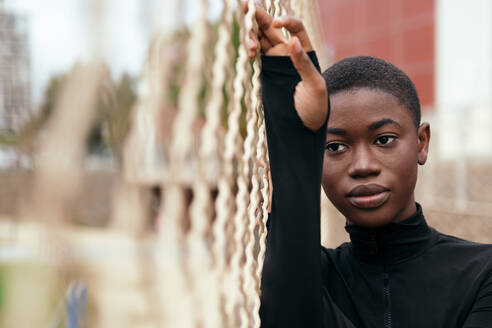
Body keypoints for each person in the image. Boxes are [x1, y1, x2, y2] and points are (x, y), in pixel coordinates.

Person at [246, 4, 492, 328]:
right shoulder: (301, 270)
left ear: (421, 142)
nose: (362, 166)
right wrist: (296, 133)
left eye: (384, 140)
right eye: (334, 146)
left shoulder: (482, 273)